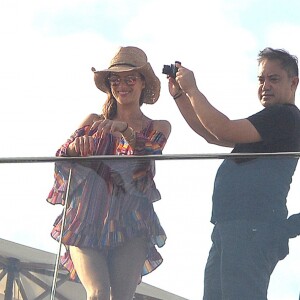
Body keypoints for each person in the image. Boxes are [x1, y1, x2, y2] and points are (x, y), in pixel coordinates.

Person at [167, 47, 300, 299]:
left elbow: (223, 130)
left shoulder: (285, 116)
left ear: (293, 83)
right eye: (261, 79)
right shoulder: (273, 120)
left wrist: (194, 90)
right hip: (233, 228)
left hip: (252, 228)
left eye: (274, 79)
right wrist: (181, 97)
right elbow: (210, 134)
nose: (265, 85)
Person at [47, 46, 171, 300]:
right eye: (115, 80)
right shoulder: (92, 121)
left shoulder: (158, 126)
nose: (122, 85)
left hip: (132, 220)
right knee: (98, 294)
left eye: (129, 79)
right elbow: (61, 157)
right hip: (85, 217)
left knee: (122, 297)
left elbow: (148, 150)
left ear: (142, 83)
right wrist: (74, 149)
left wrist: (124, 130)